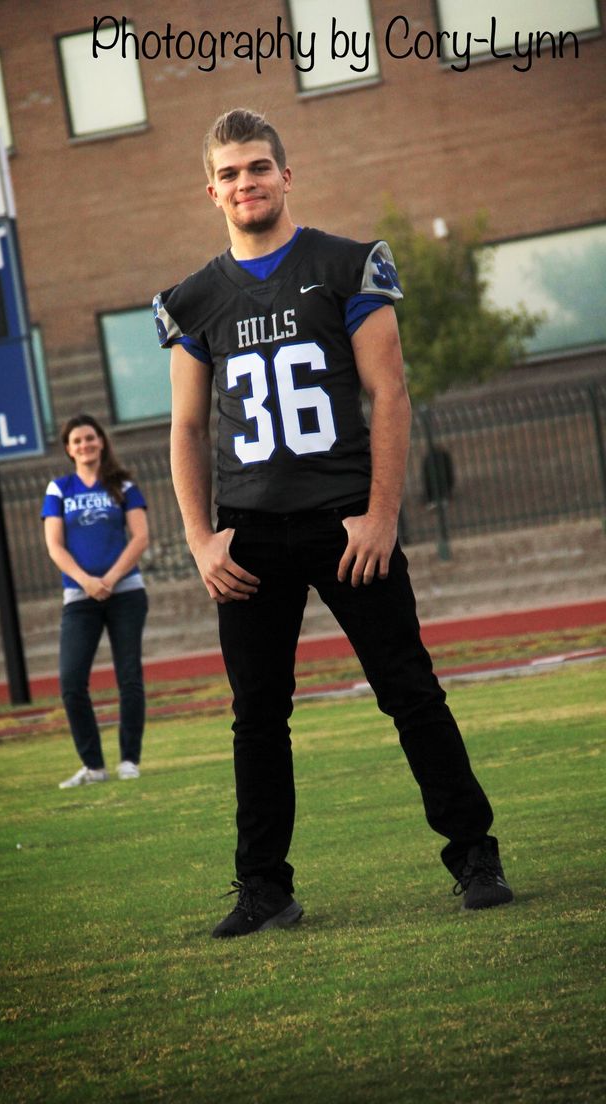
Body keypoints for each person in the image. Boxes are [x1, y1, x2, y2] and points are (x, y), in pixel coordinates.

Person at [153, 108, 513, 938]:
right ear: (211, 190)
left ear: (287, 174)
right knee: (257, 717)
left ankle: (475, 855)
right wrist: (201, 538)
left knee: (411, 692)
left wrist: (382, 515)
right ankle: (263, 888)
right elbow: (184, 428)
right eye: (231, 173)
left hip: (348, 520)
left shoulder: (347, 265)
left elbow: (390, 392)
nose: (247, 183)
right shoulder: (194, 299)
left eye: (259, 168)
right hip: (248, 530)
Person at [42, 413, 149, 787]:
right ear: (69, 450)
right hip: (79, 596)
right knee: (71, 682)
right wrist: (88, 581)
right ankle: (94, 766)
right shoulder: (59, 489)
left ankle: (129, 760)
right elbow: (54, 545)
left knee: (129, 678)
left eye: (90, 438)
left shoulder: (124, 485)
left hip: (126, 593)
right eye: (77, 441)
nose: (84, 445)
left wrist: (110, 579)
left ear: (101, 442)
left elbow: (139, 537)